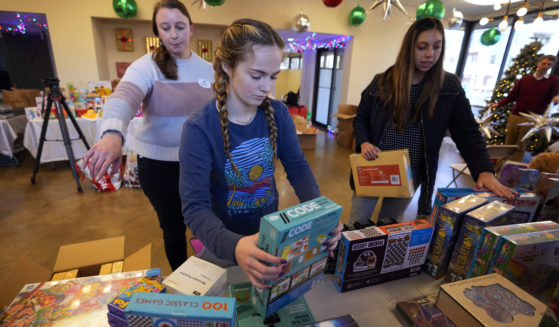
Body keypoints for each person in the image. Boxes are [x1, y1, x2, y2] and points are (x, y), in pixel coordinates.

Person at [179, 19, 343, 288]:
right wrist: (235, 246)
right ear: (227, 67)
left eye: (273, 76)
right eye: (257, 76)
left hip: (270, 236)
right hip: (222, 242)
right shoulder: (199, 129)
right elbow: (195, 208)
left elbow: (298, 168)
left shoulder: (278, 113)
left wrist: (319, 213)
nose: (267, 87)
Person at [82, 0, 215, 271]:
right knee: (174, 228)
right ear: (158, 32)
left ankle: (209, 275)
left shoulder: (208, 69)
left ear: (192, 29)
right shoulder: (145, 67)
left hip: (201, 163)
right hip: (159, 166)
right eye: (165, 28)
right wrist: (111, 133)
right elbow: (124, 98)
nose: (173, 34)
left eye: (180, 26)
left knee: (206, 222)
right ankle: (182, 281)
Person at [348, 17, 517, 227]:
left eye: (437, 47)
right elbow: (361, 118)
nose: (430, 54)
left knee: (388, 227)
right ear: (409, 48)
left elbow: (467, 131)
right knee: (356, 225)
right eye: (422, 47)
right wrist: (364, 142)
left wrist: (484, 170)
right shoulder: (382, 82)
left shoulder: (448, 86)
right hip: (374, 167)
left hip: (410, 172)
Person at [488, 55, 559, 162]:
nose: (545, 66)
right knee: (508, 144)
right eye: (544, 63)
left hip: (532, 119)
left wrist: (555, 99)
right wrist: (498, 104)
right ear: (538, 64)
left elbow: (553, 97)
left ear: (552, 66)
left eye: (549, 64)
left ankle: (512, 171)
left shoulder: (554, 81)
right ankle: (500, 167)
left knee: (521, 146)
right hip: (516, 115)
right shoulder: (524, 80)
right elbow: (512, 96)